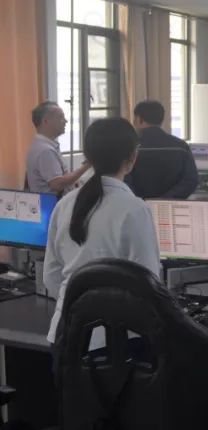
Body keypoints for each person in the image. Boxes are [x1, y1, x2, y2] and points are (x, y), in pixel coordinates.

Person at [43, 117, 161, 347]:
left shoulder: (64, 204)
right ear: (132, 157)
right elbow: (149, 283)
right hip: (118, 343)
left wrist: (81, 305)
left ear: (88, 158)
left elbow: (51, 275)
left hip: (65, 336)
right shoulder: (134, 209)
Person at [127, 100, 198, 200]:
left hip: (137, 204)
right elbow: (191, 180)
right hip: (171, 205)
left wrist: (139, 200)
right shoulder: (181, 146)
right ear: (161, 120)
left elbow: (123, 178)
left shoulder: (129, 147)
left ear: (139, 120)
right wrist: (166, 199)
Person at [25, 102, 90, 195]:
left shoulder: (43, 146)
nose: (65, 121)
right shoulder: (45, 151)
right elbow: (57, 184)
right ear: (46, 121)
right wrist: (87, 165)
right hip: (53, 203)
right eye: (61, 117)